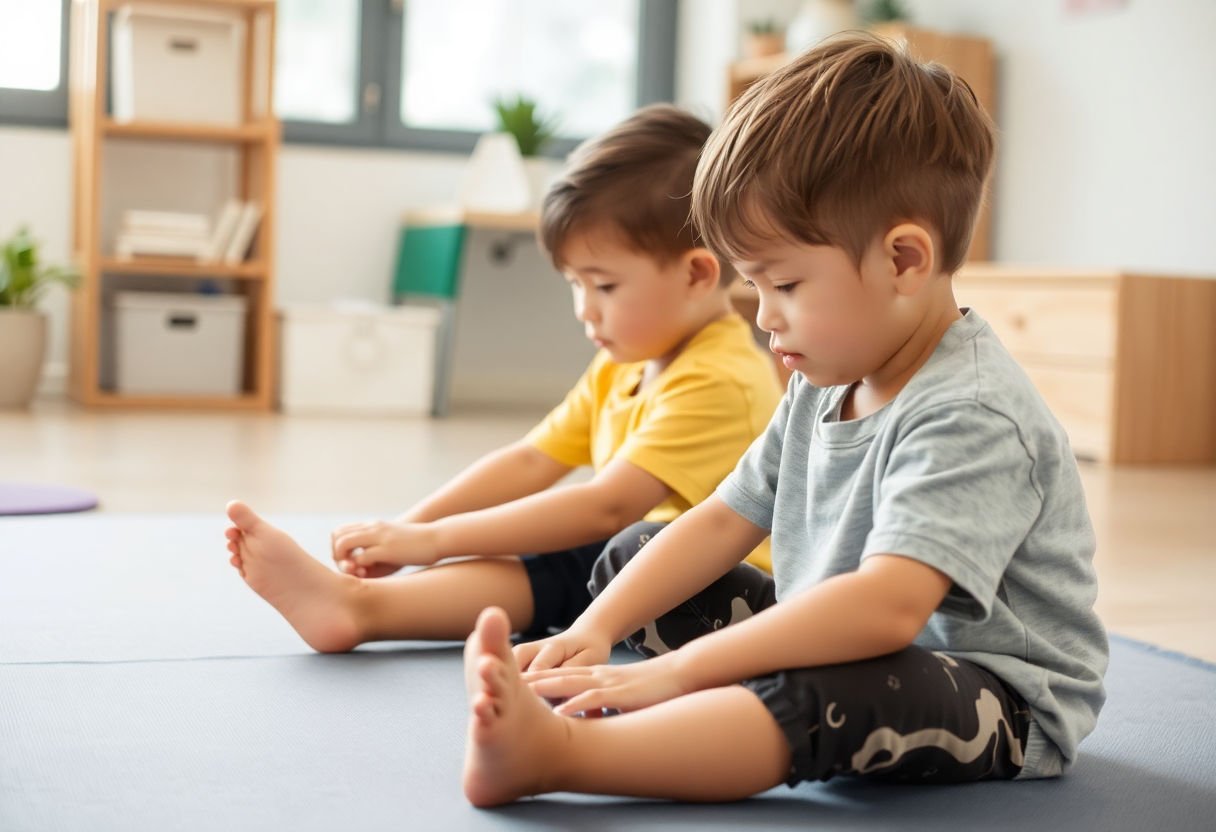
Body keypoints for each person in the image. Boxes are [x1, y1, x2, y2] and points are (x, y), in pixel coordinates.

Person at [459, 33, 1108, 807]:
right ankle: (726, 706)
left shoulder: (970, 412)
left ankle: (566, 758)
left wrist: (678, 671)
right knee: (633, 552)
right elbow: (723, 518)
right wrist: (593, 628)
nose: (765, 318)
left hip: (989, 694)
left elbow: (887, 608)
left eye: (787, 284)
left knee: (834, 691)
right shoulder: (825, 376)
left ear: (904, 261)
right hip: (847, 637)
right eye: (754, 285)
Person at [223, 104, 782, 653]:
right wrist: (404, 532)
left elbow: (606, 505)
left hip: (731, 597)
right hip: (633, 572)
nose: (584, 309)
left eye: (604, 286)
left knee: (622, 542)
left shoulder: (721, 379)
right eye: (573, 284)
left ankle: (362, 608)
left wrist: (432, 541)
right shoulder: (626, 363)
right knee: (571, 548)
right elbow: (532, 460)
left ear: (696, 273)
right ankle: (358, 607)